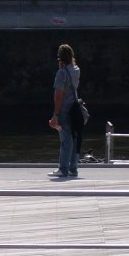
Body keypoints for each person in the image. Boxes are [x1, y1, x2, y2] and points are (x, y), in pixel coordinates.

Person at [48, 44, 80, 178]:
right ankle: (73, 168)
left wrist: (56, 114)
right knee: (73, 138)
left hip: (65, 110)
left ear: (60, 57)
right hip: (75, 109)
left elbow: (59, 95)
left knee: (65, 140)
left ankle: (63, 169)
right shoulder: (76, 69)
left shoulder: (61, 73)